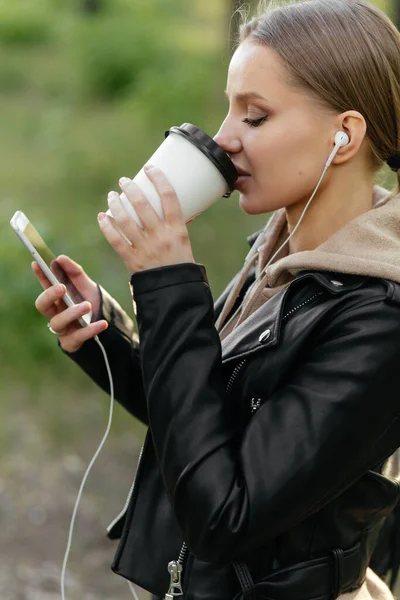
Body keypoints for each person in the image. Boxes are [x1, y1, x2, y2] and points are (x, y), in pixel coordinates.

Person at [32, 0, 400, 598]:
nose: (224, 139)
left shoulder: (380, 314)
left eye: (255, 117)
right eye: (231, 109)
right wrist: (111, 333)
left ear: (346, 134)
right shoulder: (282, 257)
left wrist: (170, 283)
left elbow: (223, 514)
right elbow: (209, 420)